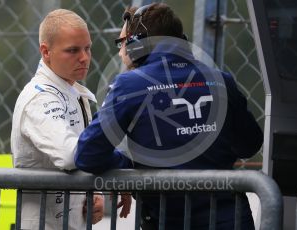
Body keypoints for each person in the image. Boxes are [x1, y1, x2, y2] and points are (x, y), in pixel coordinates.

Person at [75, 3, 263, 230]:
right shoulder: (221, 79)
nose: (120, 50)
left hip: (166, 221)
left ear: (137, 44)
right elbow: (249, 145)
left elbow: (88, 154)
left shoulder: (129, 85)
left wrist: (130, 164)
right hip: (230, 220)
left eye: (122, 42)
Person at [10, 9, 107, 229]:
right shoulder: (40, 97)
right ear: (46, 52)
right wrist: (119, 165)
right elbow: (71, 154)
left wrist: (95, 191)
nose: (84, 57)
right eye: (72, 50)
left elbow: (84, 153)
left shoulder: (72, 91)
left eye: (87, 48)